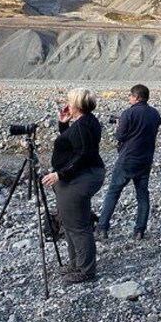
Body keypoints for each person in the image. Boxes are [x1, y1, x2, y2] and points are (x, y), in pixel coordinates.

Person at [41, 88, 105, 284]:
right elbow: (72, 145)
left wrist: (60, 174)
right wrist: (64, 125)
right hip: (82, 175)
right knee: (70, 222)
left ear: (77, 104)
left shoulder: (84, 126)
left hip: (81, 177)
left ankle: (86, 270)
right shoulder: (87, 122)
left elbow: (81, 154)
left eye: (69, 100)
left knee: (77, 226)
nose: (66, 103)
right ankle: (76, 264)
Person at [96, 84, 161, 240]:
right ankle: (139, 230)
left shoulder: (128, 113)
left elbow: (119, 137)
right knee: (142, 195)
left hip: (127, 159)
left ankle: (102, 228)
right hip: (146, 159)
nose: (129, 98)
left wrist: (121, 125)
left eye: (130, 96)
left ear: (137, 97)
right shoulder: (155, 113)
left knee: (113, 192)